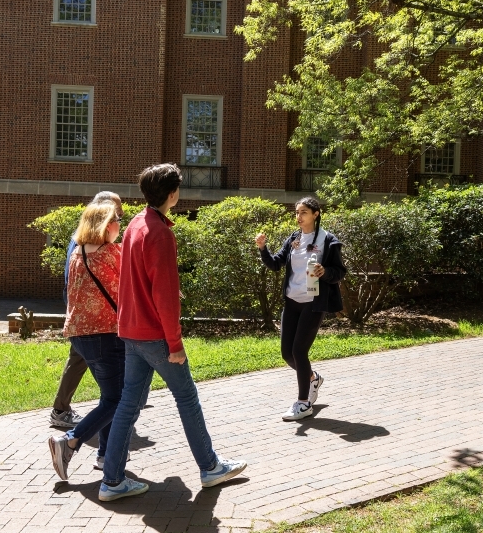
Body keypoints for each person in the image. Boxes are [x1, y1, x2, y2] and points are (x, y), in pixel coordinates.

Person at [97, 163, 247, 502]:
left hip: (131, 332)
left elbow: (136, 280)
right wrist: (175, 344)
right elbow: (164, 295)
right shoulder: (161, 233)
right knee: (187, 397)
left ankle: (112, 481)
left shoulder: (135, 223)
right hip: (154, 335)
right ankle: (210, 468)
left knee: (127, 404)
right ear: (172, 194)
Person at [48, 202, 127, 478]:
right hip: (105, 335)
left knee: (110, 397)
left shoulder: (76, 253)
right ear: (105, 226)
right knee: (118, 399)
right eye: (117, 219)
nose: (120, 223)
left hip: (80, 335)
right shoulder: (112, 253)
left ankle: (105, 455)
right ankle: (70, 441)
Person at [256, 196, 347, 421]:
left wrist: (325, 272)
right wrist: (263, 249)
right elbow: (277, 264)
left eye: (303, 212)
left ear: (315, 214)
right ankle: (312, 378)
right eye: (297, 212)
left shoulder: (328, 240)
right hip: (292, 301)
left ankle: (304, 403)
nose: (298, 217)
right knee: (287, 353)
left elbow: (340, 272)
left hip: (313, 302)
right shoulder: (294, 239)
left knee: (299, 351)